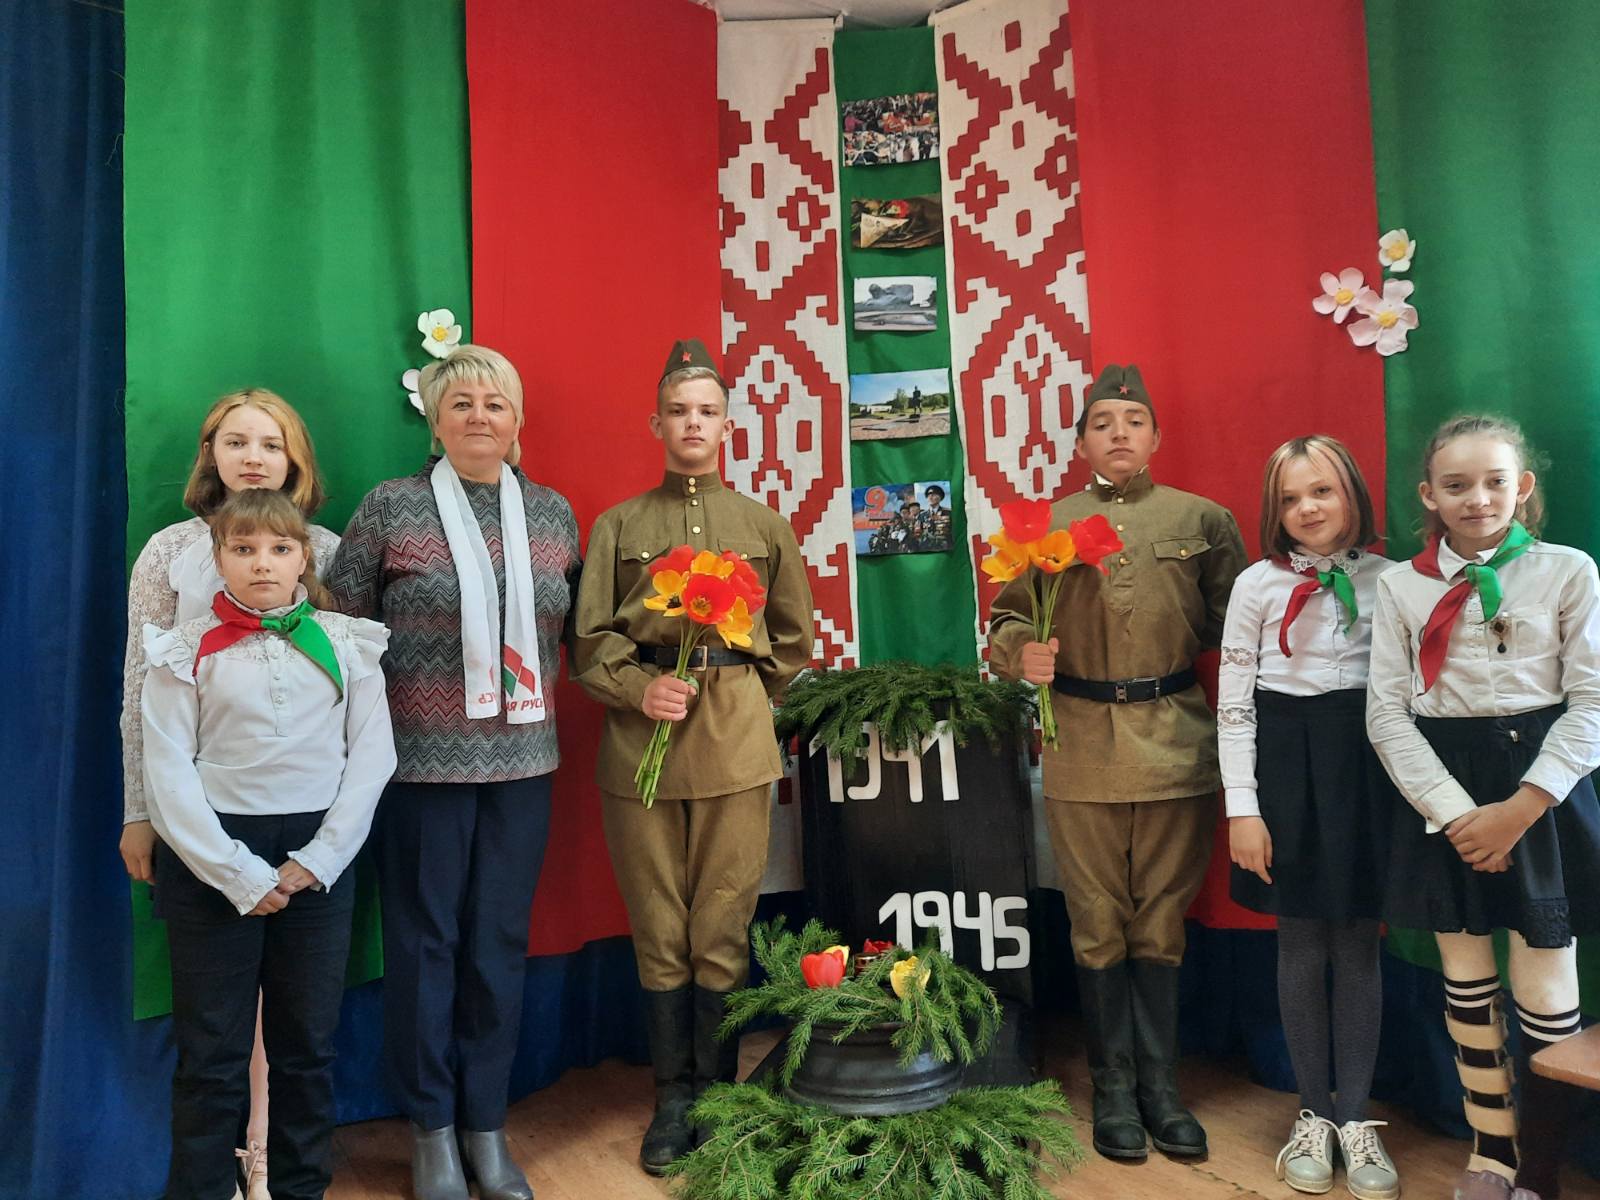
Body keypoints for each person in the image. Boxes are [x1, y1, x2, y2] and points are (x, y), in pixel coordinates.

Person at [326, 344, 581, 1200]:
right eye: (461, 402)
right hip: (418, 770)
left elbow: (575, 630)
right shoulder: (389, 507)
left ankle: (486, 1124)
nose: (479, 415)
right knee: (424, 944)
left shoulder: (553, 514)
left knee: (498, 946)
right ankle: (431, 1128)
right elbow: (342, 628)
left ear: (518, 421)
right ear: (434, 421)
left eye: (495, 402)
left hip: (523, 765)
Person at [988, 363, 1246, 1162]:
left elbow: (1234, 624)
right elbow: (1002, 619)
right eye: (1102, 423)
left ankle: (1161, 1091)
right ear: (1080, 443)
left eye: (1133, 421)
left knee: (1160, 922)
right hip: (1082, 741)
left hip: (1175, 739)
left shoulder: (1203, 519)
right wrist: (1018, 653)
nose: (1119, 433)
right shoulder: (1046, 526)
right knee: (1098, 922)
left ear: (1156, 436)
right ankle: (1113, 1090)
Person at [572, 338, 813, 1175]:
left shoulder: (764, 527)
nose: (693, 424)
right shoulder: (619, 526)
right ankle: (671, 1099)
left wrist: (736, 692)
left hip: (736, 748)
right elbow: (589, 639)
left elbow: (792, 640)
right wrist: (640, 689)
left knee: (721, 923)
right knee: (659, 926)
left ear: (728, 426)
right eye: (678, 411)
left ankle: (718, 1094)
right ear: (657, 424)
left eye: (708, 411)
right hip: (641, 745)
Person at [1367, 415, 1600, 1200]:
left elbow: (1593, 702)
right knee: (1465, 981)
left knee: (1547, 987)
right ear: (1429, 495)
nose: (1477, 498)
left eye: (1495, 481)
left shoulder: (1568, 571)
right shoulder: (1401, 586)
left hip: (1542, 792)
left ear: (1522, 487)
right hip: (1445, 796)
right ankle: (1492, 1154)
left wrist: (1519, 809)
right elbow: (1387, 714)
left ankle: (1542, 1167)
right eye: (1456, 485)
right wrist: (1458, 814)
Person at [141, 489, 395, 1200]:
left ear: (303, 557)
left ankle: (299, 1188)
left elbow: (372, 759)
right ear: (218, 557)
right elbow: (168, 772)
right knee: (211, 1055)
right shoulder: (184, 651)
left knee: (306, 1050)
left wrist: (318, 860)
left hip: (315, 860)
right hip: (212, 859)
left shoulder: (347, 644)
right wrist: (236, 874)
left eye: (280, 549)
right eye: (243, 548)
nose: (262, 564)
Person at [120, 387, 339, 1200]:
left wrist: (328, 843)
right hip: (202, 824)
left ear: (295, 460)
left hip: (306, 830)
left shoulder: (327, 550)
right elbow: (141, 690)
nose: (253, 457)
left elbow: (348, 693)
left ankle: (273, 1163)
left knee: (301, 1034)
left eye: (271, 444)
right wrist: (140, 809)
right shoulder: (169, 552)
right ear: (210, 452)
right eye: (236, 441)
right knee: (212, 1036)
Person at [1218, 436, 1400, 1198]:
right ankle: (1312, 1113)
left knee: (1357, 944)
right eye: (1290, 499)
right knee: (1299, 944)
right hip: (1284, 772)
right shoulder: (1256, 585)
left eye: (1321, 491)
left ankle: (1355, 1117)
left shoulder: (1393, 580)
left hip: (1364, 768)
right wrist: (1243, 809)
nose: (1307, 509)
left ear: (1352, 492)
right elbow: (1234, 706)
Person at [918, 484, 952, 551]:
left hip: (944, 547)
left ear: (940, 498)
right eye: (928, 495)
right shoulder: (922, 515)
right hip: (926, 548)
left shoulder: (948, 513)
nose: (930, 497)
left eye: (933, 495)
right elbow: (919, 532)